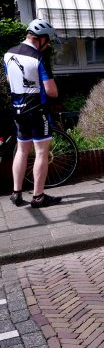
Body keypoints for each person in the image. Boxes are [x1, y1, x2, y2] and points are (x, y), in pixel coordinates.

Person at [3, 19, 62, 207]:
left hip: (17, 109)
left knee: (21, 150)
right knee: (42, 152)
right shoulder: (38, 58)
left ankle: (16, 193)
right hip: (37, 110)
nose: (48, 44)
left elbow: (8, 78)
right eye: (48, 40)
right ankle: (38, 197)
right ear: (40, 38)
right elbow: (52, 91)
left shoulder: (8, 54)